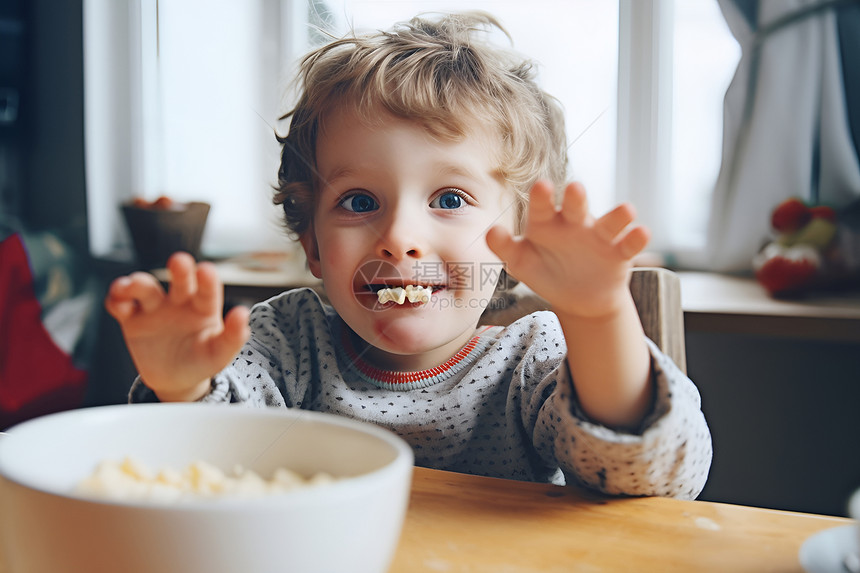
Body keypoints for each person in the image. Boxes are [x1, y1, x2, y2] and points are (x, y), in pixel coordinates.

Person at [106, 12, 712, 498]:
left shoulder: (532, 361)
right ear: (312, 242)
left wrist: (597, 317)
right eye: (359, 200)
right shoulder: (282, 345)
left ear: (519, 240)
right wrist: (181, 386)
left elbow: (650, 477)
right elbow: (202, 474)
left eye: (450, 197)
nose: (399, 236)